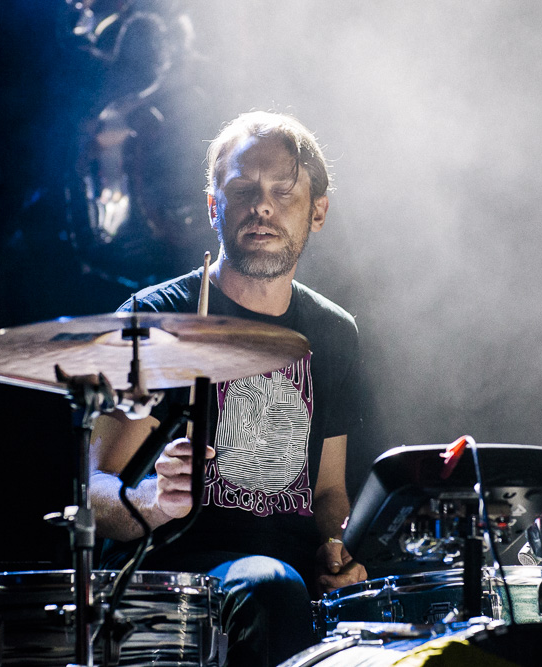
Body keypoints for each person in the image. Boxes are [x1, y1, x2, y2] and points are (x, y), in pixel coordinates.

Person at [89, 110, 368, 666]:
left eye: (283, 191)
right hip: (171, 582)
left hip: (288, 584)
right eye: (243, 190)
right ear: (214, 206)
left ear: (317, 212)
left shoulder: (333, 332)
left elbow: (327, 492)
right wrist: (151, 500)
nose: (262, 206)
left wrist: (336, 549)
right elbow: (94, 492)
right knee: (271, 584)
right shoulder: (155, 319)